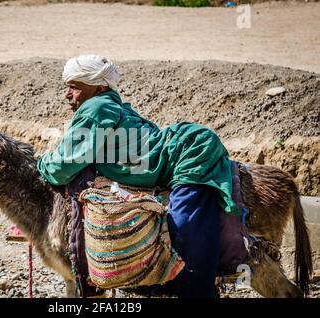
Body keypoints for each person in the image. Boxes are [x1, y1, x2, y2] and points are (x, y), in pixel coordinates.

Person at [37, 54, 239, 298]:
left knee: (184, 227)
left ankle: (199, 290)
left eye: (74, 87)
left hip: (192, 151)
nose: (67, 95)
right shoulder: (112, 107)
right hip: (183, 147)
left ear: (99, 87)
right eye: (67, 87)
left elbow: (65, 165)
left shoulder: (96, 107)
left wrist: (41, 162)